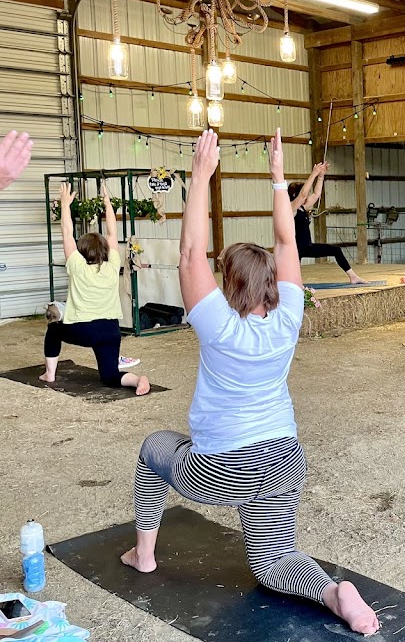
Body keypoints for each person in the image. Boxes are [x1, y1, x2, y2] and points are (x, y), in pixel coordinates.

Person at [120, 130, 379, 636]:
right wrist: (280, 179)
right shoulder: (290, 316)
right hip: (284, 459)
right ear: (269, 285)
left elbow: (190, 254)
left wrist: (199, 176)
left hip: (222, 470)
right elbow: (287, 240)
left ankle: (143, 554)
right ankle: (333, 591)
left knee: (154, 448)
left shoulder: (219, 326)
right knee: (274, 565)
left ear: (230, 285)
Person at [40, 182, 150, 395]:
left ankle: (49, 374)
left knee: (53, 330)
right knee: (110, 377)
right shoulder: (111, 266)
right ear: (107, 250)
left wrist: (65, 205)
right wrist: (108, 204)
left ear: (81, 252)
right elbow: (111, 231)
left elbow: (66, 232)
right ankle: (138, 380)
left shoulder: (77, 266)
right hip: (110, 331)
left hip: (84, 330)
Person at [289, 162, 367, 285]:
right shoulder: (291, 208)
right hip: (294, 249)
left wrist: (321, 177)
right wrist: (314, 173)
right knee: (293, 278)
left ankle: (353, 276)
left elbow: (316, 194)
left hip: (306, 247)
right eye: (303, 195)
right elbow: (303, 194)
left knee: (335, 250)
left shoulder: (302, 208)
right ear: (295, 195)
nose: (306, 197)